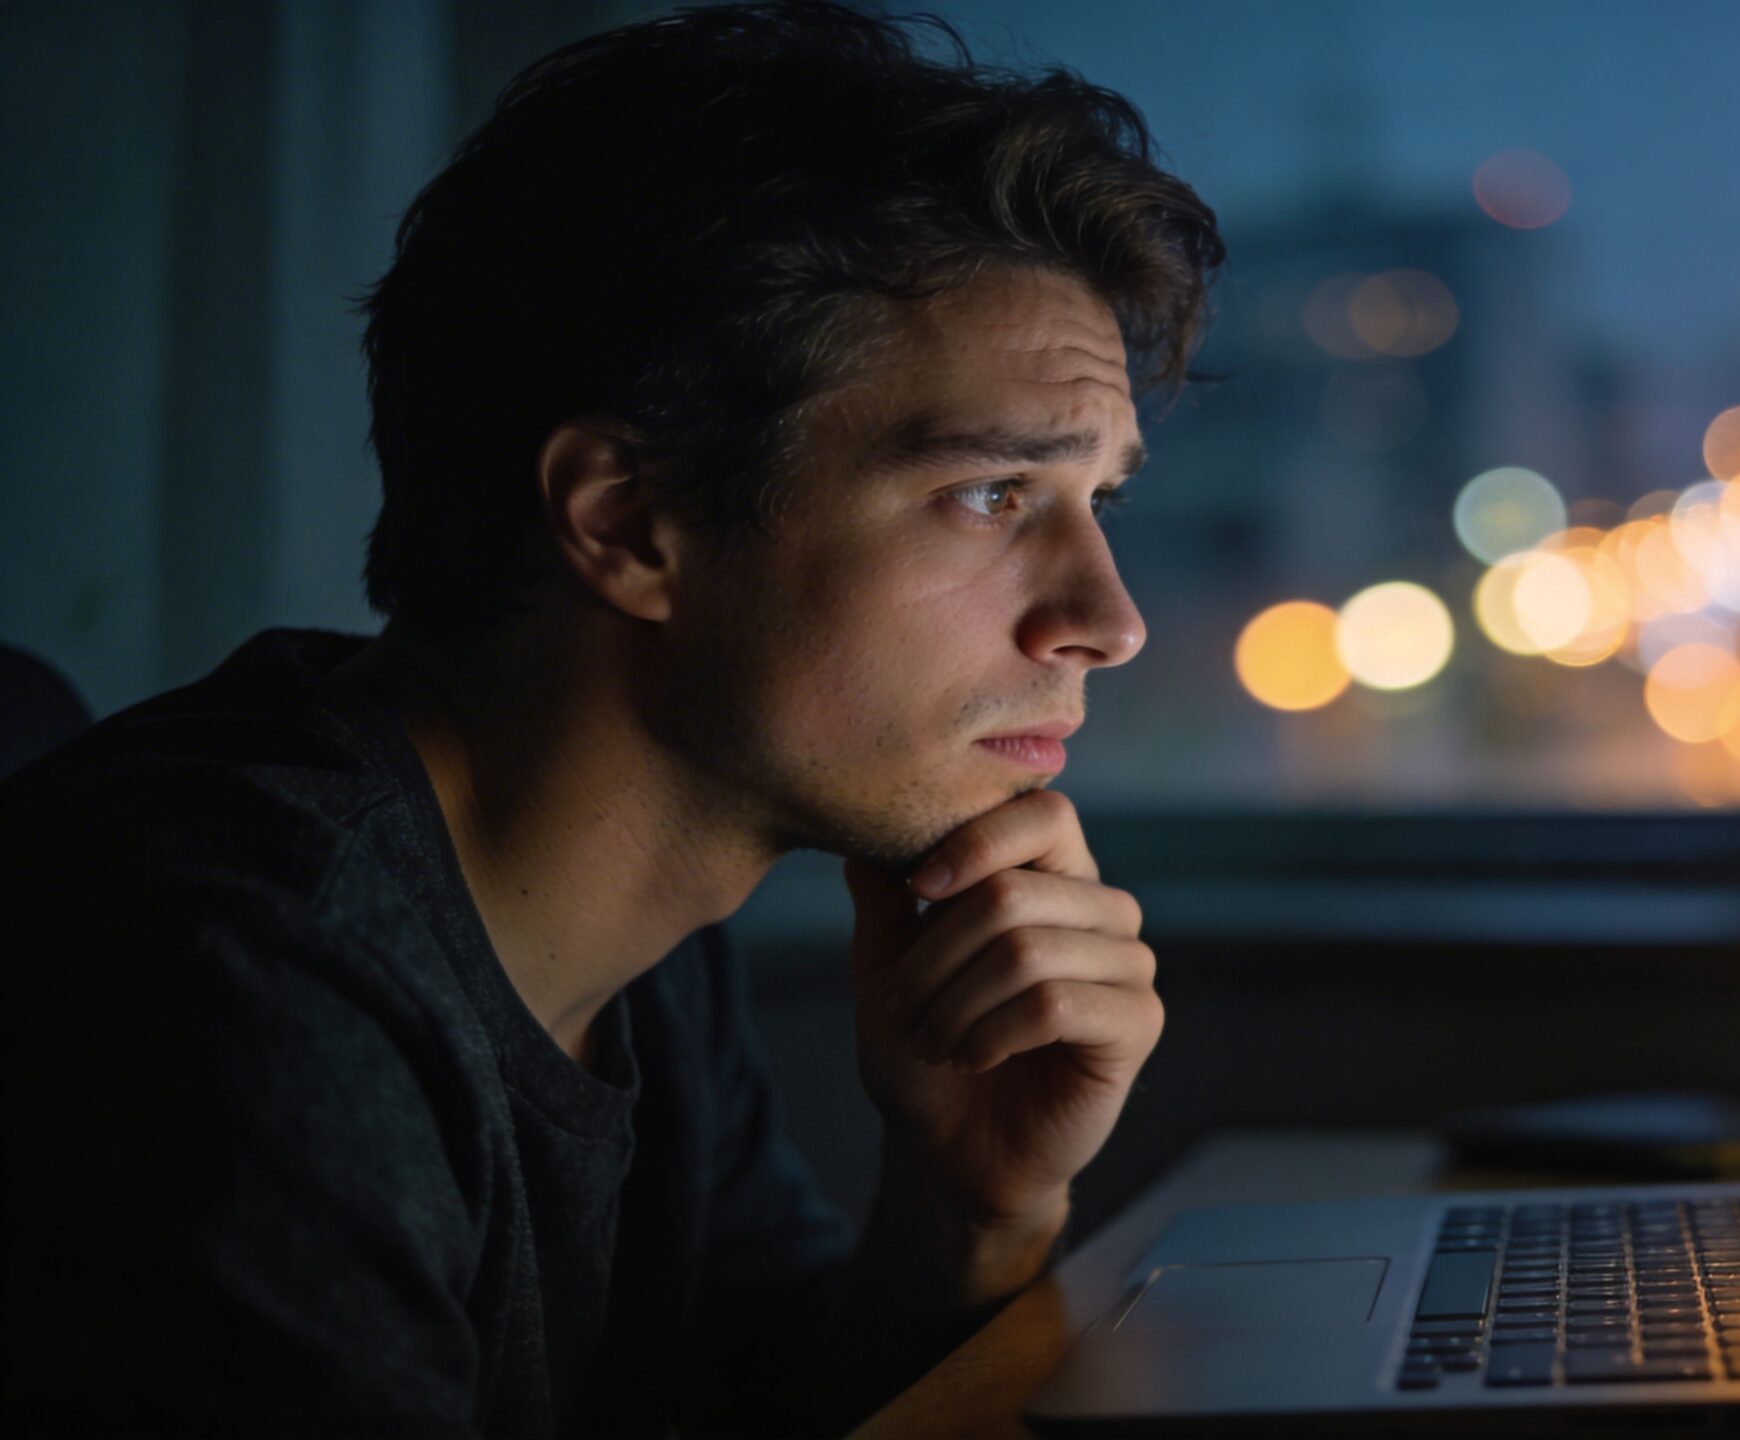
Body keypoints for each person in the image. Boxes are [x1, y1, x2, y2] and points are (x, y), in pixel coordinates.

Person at [0, 2, 1221, 1433]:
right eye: (992, 496)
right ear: (630, 523)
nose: (1110, 619)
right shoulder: (232, 988)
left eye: (1102, 501)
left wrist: (970, 1207)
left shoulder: (631, 931)